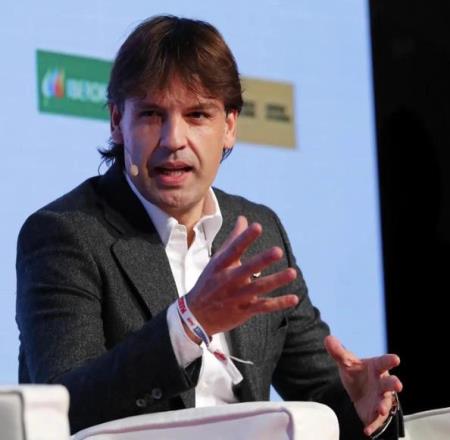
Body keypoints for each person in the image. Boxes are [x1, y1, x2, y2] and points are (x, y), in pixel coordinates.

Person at [16, 15, 403, 439]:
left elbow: (320, 391)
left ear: (229, 126)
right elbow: (64, 408)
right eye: (151, 114)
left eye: (197, 114)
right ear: (116, 122)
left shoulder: (258, 230)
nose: (173, 139)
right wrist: (187, 324)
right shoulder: (64, 234)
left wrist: (363, 408)